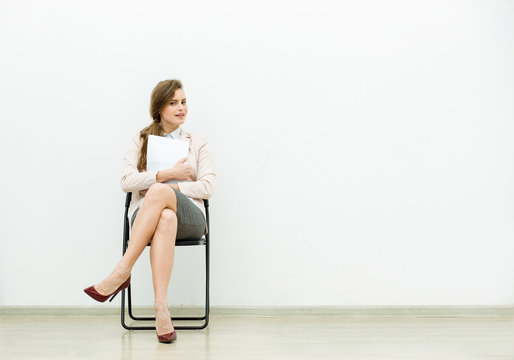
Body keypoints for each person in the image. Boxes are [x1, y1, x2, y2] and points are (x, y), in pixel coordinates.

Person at [84, 79, 215, 343]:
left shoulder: (197, 142)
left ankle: (122, 271)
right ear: (159, 108)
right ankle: (161, 309)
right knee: (164, 215)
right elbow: (125, 182)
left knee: (159, 193)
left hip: (190, 219)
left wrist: (172, 186)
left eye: (184, 102)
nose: (182, 108)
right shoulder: (141, 139)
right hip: (148, 218)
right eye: (173, 103)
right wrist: (163, 174)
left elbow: (208, 186)